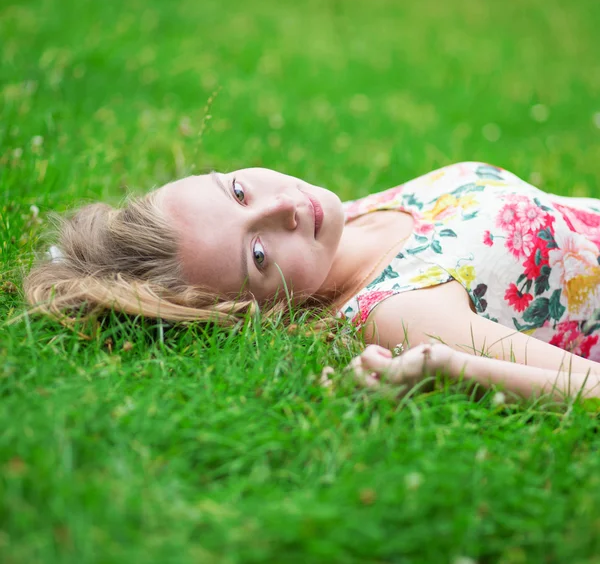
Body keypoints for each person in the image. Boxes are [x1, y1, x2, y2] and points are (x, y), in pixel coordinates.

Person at [25, 162, 600, 402]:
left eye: (237, 192)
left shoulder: (337, 225)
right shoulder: (399, 310)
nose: (283, 207)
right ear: (261, 311)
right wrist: (448, 366)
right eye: (257, 252)